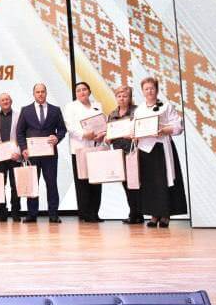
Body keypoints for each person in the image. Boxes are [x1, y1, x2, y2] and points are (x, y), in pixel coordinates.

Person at [134, 77, 186, 228]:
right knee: (149, 183)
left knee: (163, 181)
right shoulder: (139, 109)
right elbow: (134, 127)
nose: (149, 91)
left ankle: (165, 215)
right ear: (142, 91)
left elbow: (178, 126)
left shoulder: (166, 106)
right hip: (145, 149)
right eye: (146, 89)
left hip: (161, 148)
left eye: (152, 88)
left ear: (156, 90)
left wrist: (164, 130)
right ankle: (153, 215)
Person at [16, 83, 67, 223]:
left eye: (42, 91)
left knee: (51, 184)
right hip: (31, 155)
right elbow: (19, 132)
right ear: (33, 94)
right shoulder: (25, 110)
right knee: (32, 184)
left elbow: (62, 129)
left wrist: (57, 138)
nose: (40, 94)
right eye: (37, 92)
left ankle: (53, 214)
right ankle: (32, 214)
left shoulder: (55, 110)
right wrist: (23, 148)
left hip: (50, 155)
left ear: (46, 93)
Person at [64, 81, 105, 222]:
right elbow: (70, 126)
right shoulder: (71, 107)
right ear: (76, 94)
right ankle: (85, 213)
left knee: (96, 181)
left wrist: (102, 134)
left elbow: (102, 124)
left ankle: (95, 213)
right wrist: (83, 134)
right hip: (80, 148)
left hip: (96, 147)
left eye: (84, 89)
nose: (81, 92)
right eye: (78, 90)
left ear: (89, 91)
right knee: (82, 181)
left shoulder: (97, 105)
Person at [103, 85, 140, 224]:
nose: (122, 98)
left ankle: (138, 213)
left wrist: (133, 134)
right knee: (125, 183)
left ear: (130, 97)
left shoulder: (137, 111)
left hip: (134, 151)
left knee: (136, 182)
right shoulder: (112, 114)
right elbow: (109, 133)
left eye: (125, 96)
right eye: (119, 96)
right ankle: (134, 212)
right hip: (119, 153)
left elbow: (141, 128)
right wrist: (108, 138)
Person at [0, 93, 22, 222]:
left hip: (14, 156)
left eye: (7, 99)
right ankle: (2, 211)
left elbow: (21, 135)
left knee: (15, 185)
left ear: (11, 101)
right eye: (2, 100)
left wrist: (19, 152)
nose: (5, 101)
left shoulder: (19, 116)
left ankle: (15, 211)